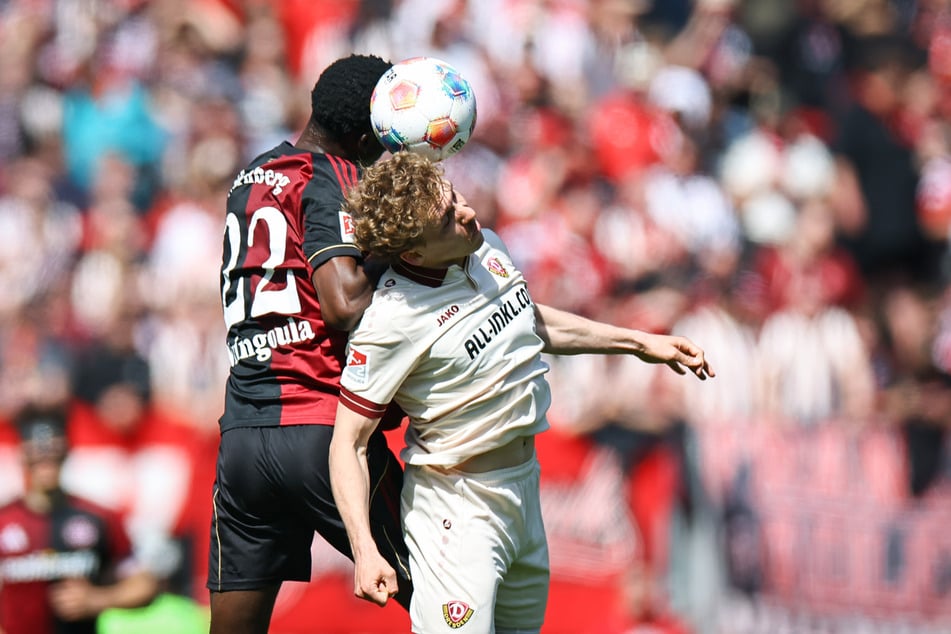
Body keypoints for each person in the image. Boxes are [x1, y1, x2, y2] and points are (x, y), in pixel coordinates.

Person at [329, 151, 714, 632]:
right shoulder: (392, 321)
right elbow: (348, 443)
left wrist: (639, 343)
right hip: (458, 510)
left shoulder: (486, 247)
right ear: (415, 254)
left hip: (525, 492)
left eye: (455, 197)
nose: (467, 213)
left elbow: (525, 318)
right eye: (447, 219)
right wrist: (364, 549)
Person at [208, 53, 412, 634]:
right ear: (361, 138)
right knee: (449, 600)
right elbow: (343, 302)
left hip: (243, 440)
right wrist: (401, 247)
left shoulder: (252, 176)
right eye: (382, 144)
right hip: (320, 432)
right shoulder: (332, 173)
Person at [0, 405, 160, 634]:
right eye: (37, 450)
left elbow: (145, 584)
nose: (45, 457)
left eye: (53, 449)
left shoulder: (97, 518)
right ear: (22, 453)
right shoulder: (4, 520)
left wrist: (98, 599)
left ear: (67, 450)